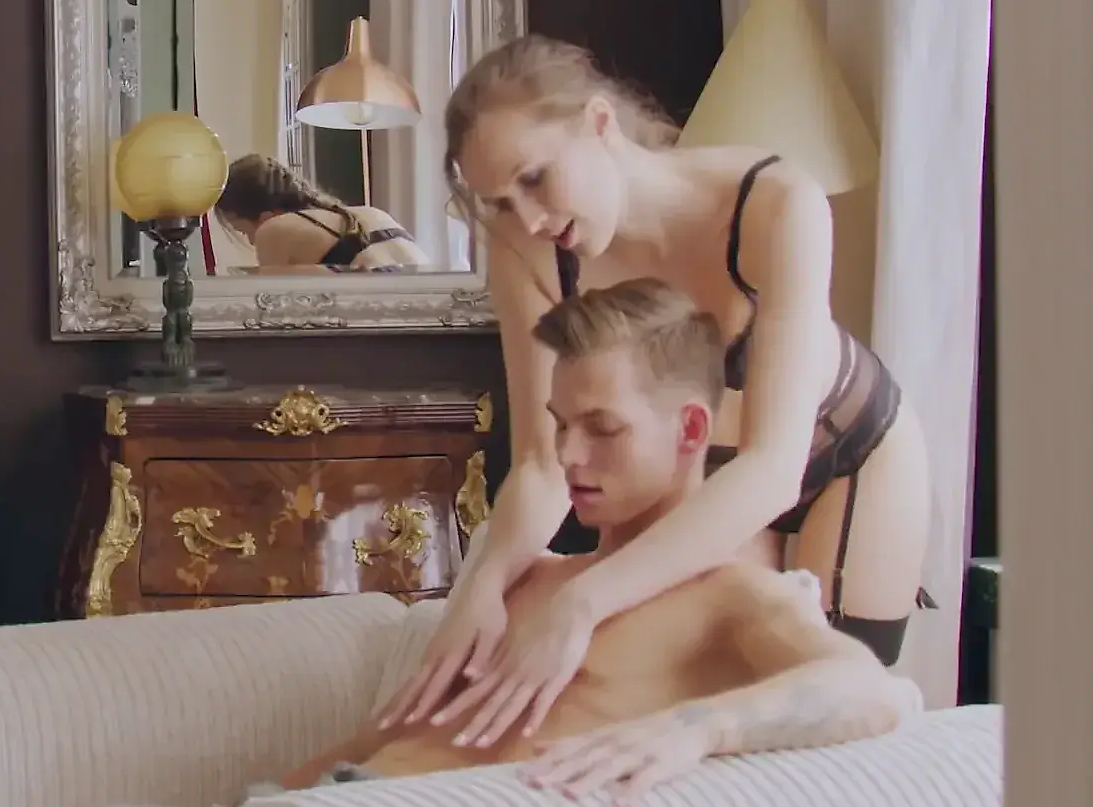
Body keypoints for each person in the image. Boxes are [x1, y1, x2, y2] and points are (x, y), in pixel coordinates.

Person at [376, 37, 932, 749]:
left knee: (839, 720)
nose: (531, 219)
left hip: (849, 451)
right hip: (712, 469)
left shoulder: (776, 204)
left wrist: (581, 600)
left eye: (536, 179)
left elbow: (773, 467)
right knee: (710, 692)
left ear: (599, 122)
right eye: (500, 203)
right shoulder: (526, 250)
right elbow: (544, 464)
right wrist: (481, 586)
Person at [249, 279, 918, 801]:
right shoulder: (531, 578)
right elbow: (381, 738)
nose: (569, 455)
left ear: (690, 430)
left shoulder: (728, 597)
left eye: (602, 428)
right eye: (561, 425)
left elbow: (867, 687)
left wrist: (694, 730)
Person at [213, 154, 430, 272]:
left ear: (267, 216)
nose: (252, 241)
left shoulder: (273, 230)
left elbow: (273, 310)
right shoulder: (370, 212)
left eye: (244, 231)